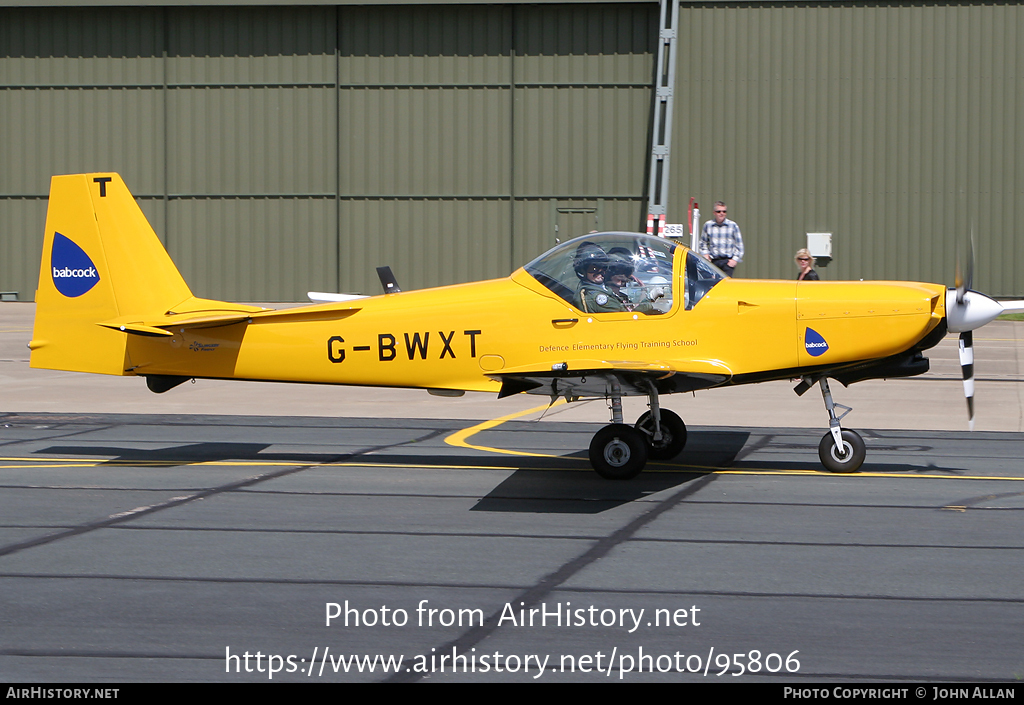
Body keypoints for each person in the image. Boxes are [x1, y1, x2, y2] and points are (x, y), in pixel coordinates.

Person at [571, 242, 625, 313]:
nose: (600, 271)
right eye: (594, 268)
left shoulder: (604, 289)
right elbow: (626, 314)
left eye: (603, 267)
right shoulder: (596, 297)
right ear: (583, 271)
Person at [699, 201, 744, 276]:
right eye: (718, 211)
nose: (721, 213)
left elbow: (739, 245)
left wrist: (734, 260)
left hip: (727, 262)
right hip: (713, 261)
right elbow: (703, 243)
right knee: (712, 284)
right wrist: (706, 255)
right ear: (714, 213)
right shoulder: (708, 225)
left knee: (726, 286)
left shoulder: (733, 225)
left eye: (724, 211)